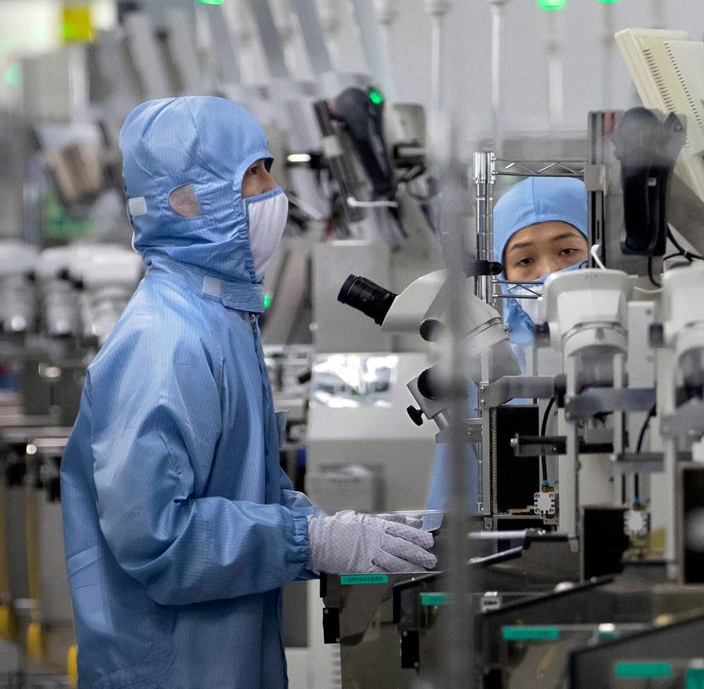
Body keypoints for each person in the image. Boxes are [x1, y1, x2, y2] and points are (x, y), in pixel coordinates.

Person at [61, 97, 436, 689]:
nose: (273, 193)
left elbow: (245, 487)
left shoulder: (219, 319)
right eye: (252, 175)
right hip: (171, 669)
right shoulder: (166, 343)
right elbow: (158, 538)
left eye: (268, 170)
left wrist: (340, 533)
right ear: (188, 200)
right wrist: (309, 541)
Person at [425, 176, 589, 523]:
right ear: (503, 277)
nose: (550, 275)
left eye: (567, 252)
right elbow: (451, 518)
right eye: (525, 261)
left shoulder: (645, 358)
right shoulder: (488, 379)